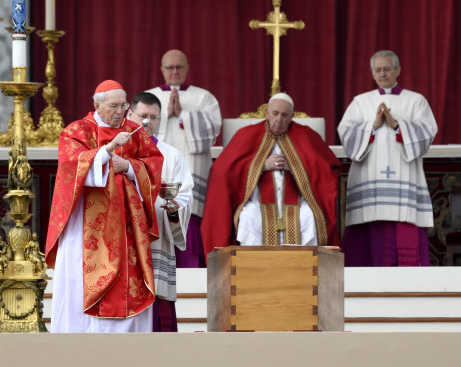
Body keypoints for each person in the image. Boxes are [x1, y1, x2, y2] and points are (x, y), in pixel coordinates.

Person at [45, 80, 164, 332]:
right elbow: (70, 167)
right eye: (113, 106)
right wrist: (108, 149)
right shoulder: (76, 131)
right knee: (79, 280)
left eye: (124, 105)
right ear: (97, 105)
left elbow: (153, 164)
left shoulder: (135, 131)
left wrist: (130, 167)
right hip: (85, 224)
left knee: (128, 281)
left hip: (126, 225)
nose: (120, 111)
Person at [201, 93, 341, 257]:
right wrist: (260, 166)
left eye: (284, 115)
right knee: (248, 217)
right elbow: (223, 171)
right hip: (256, 202)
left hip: (299, 203)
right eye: (275, 114)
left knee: (308, 217)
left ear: (292, 116)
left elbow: (327, 168)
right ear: (267, 112)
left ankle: (303, 269)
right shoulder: (247, 134)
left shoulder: (307, 135)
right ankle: (253, 269)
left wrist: (296, 167)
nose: (279, 120)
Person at [338, 50, 438, 267]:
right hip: (369, 181)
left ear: (398, 70)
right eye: (378, 70)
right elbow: (346, 134)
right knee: (366, 241)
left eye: (387, 68)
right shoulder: (361, 102)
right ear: (372, 73)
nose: (382, 73)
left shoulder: (416, 101)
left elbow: (427, 133)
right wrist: (372, 126)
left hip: (405, 183)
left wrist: (395, 124)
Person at [147, 49, 221, 268]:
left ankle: (192, 272)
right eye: (169, 67)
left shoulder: (203, 97)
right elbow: (138, 131)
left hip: (191, 170)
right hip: (159, 170)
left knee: (190, 218)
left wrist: (182, 115)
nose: (174, 71)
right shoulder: (150, 97)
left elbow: (213, 130)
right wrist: (165, 116)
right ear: (162, 70)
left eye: (179, 67)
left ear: (187, 68)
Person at [127, 92, 194, 332]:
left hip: (156, 240)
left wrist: (174, 208)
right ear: (130, 115)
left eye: (153, 117)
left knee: (158, 315)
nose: (147, 122)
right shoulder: (116, 150)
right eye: (142, 116)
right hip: (123, 240)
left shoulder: (171, 155)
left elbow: (185, 195)